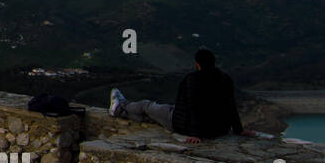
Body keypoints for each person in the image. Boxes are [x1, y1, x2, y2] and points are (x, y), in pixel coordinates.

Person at [109, 48, 259, 144]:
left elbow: (194, 106)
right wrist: (238, 129)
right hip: (219, 128)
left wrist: (195, 134)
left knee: (147, 106)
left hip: (183, 123)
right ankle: (123, 111)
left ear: (198, 64)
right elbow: (230, 104)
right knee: (152, 117)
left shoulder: (193, 79)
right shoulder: (224, 78)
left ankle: (120, 105)